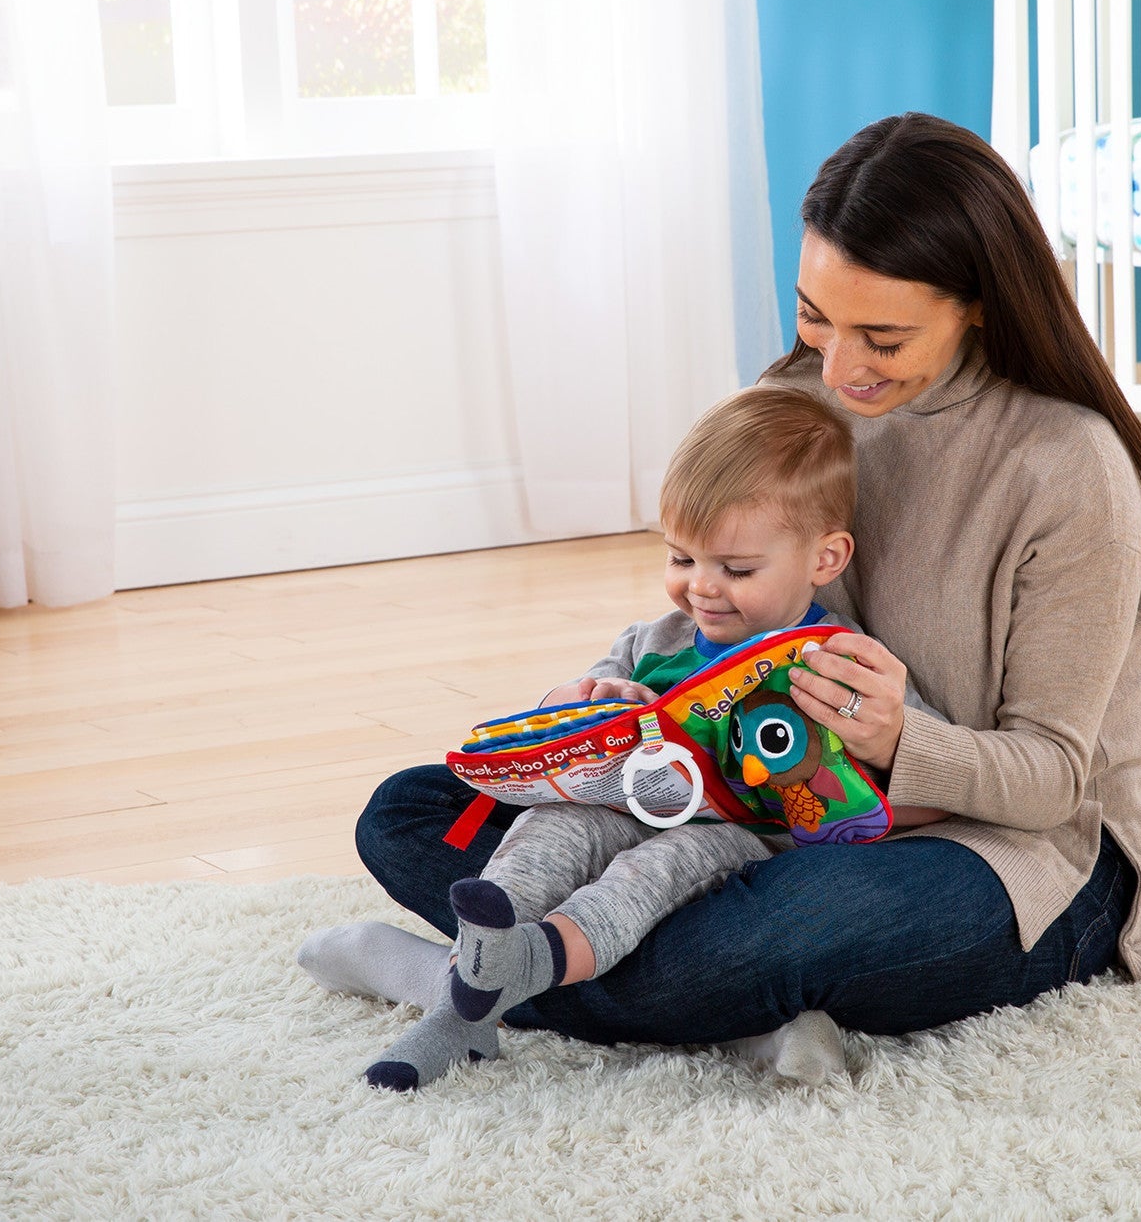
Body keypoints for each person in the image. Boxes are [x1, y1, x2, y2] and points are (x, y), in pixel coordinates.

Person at [303, 111, 1141, 1071]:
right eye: (815, 315)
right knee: (412, 809)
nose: (838, 367)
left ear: (979, 301)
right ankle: (687, 1003)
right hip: (752, 809)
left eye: (882, 339)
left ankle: (442, 977)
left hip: (1014, 853)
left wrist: (900, 741)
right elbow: (714, 603)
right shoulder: (800, 402)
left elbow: (1055, 778)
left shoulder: (1068, 468)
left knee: (759, 933)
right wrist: (620, 712)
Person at [343, 386, 935, 1090]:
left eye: (736, 568)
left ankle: (497, 970)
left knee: (662, 866)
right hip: (620, 803)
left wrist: (873, 742)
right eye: (681, 558)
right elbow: (557, 721)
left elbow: (916, 768)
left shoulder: (842, 657)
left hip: (742, 840)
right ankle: (478, 969)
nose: (701, 588)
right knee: (541, 824)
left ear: (826, 557)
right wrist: (594, 700)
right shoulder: (654, 641)